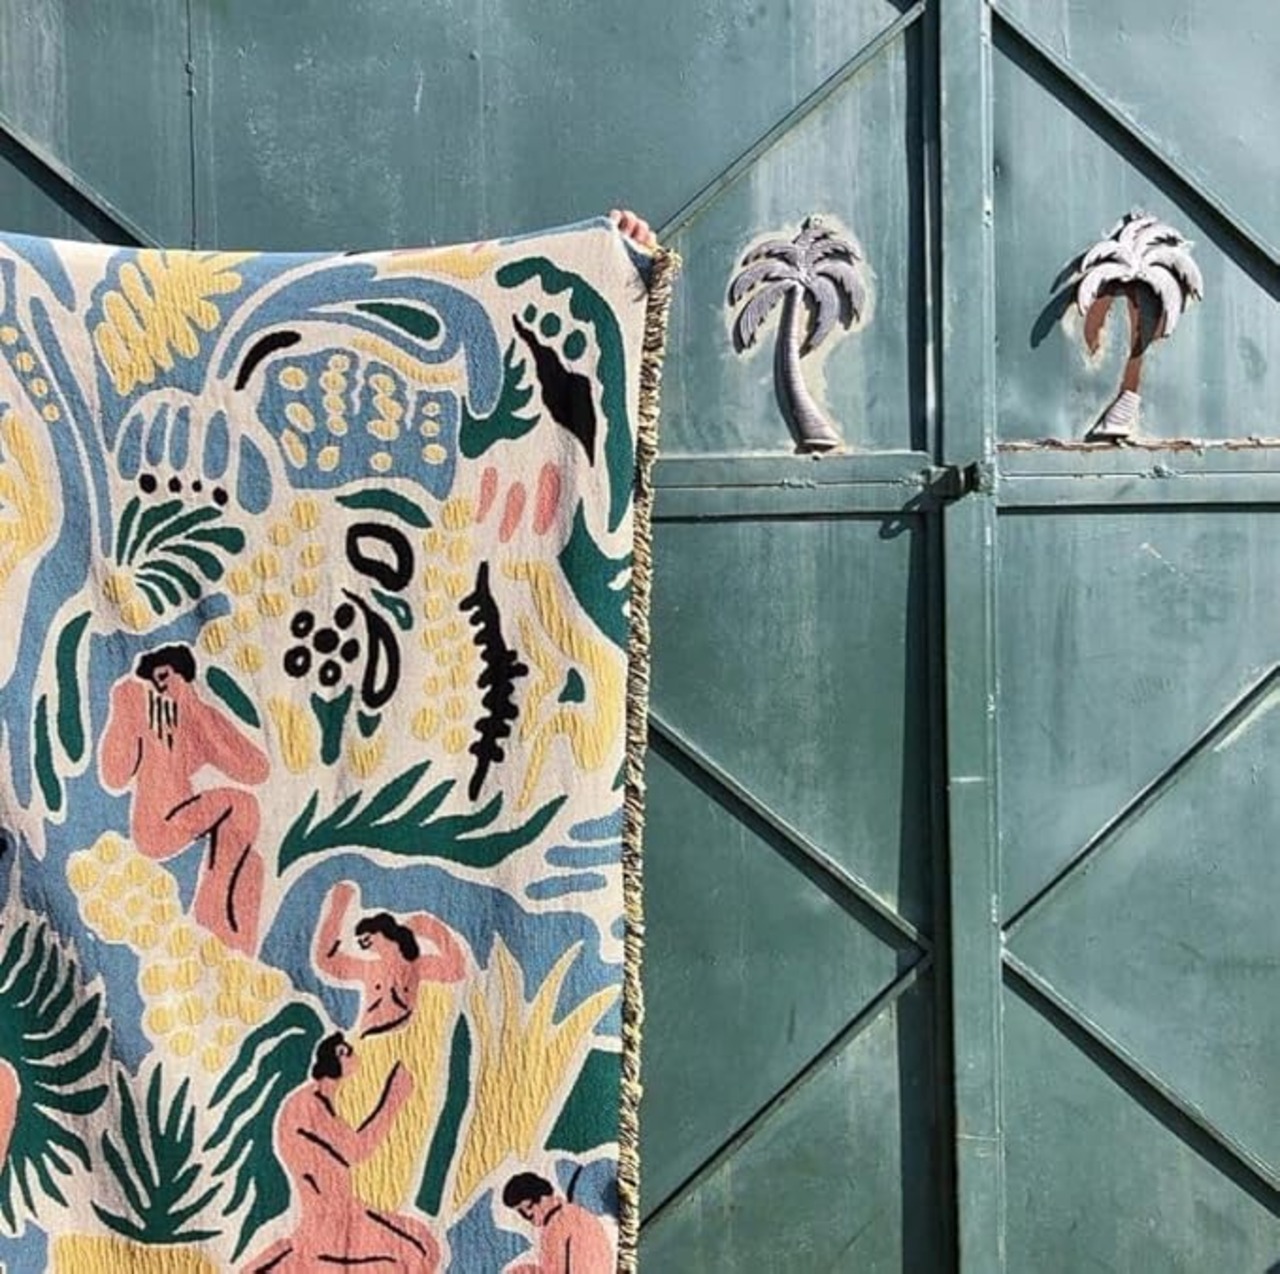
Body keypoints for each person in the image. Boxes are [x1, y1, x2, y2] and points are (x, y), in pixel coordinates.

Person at [99, 644, 270, 954]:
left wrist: (196, 708)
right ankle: (208, 917)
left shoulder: (191, 714)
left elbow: (254, 769)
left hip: (187, 817)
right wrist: (125, 707)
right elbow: (114, 776)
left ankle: (235, 946)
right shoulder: (138, 710)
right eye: (157, 677)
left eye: (169, 677)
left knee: (253, 864)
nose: (163, 685)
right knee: (241, 805)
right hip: (155, 826)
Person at [312, 881, 470, 1212]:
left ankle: (383, 1198)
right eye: (361, 942)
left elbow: (456, 969)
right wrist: (338, 908)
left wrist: (432, 927)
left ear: (385, 933)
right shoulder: (370, 969)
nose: (364, 944)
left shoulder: (418, 967)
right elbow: (326, 960)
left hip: (397, 1045)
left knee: (394, 1129)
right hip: (365, 1049)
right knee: (353, 1122)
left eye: (367, 937)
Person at [240, 1033, 440, 1272]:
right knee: (418, 1254)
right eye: (348, 1050)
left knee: (424, 1249)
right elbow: (357, 1150)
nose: (356, 1056)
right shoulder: (308, 1105)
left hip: (347, 1210)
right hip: (327, 1220)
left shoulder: (322, 1102)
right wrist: (393, 1098)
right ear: (338, 1055)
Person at [502, 1171, 615, 1273]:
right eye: (520, 1212)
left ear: (543, 1197)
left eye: (528, 1207)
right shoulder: (575, 1212)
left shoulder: (556, 1226)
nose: (527, 1215)